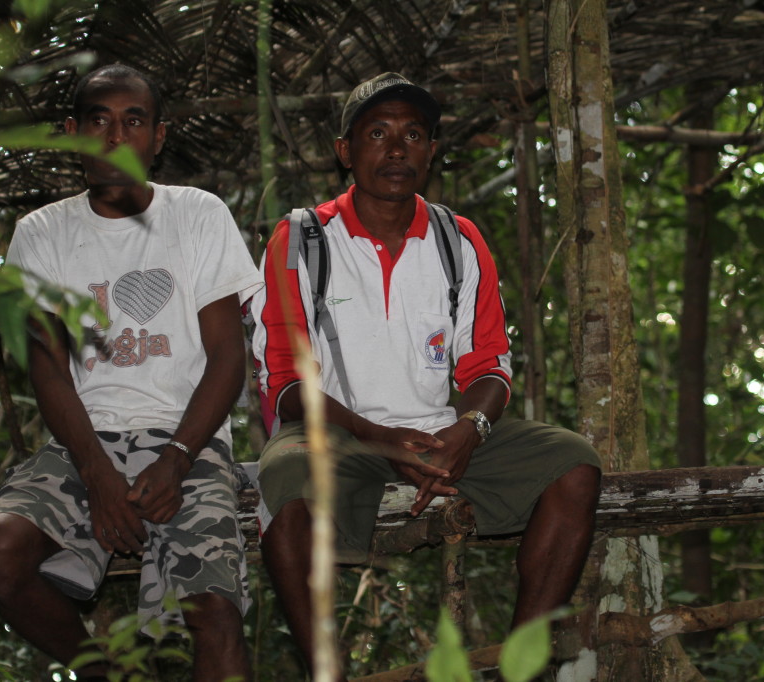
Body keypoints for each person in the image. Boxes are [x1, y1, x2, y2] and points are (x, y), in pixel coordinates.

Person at [249, 72, 602, 678]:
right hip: (334, 434)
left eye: (413, 135)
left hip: (437, 433)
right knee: (282, 478)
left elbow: (489, 363)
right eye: (377, 133)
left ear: (431, 151)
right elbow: (284, 382)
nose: (395, 149)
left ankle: (524, 665)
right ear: (345, 151)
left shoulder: (456, 239)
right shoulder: (302, 238)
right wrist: (380, 439)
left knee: (573, 462)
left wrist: (471, 429)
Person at [0, 64, 261, 682]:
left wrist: (178, 459)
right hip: (85, 442)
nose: (115, 137)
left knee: (214, 610)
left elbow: (227, 357)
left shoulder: (198, 215)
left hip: (190, 441)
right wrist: (97, 473)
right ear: (73, 132)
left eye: (133, 122)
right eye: (99, 121)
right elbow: (47, 369)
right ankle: (100, 672)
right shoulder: (42, 232)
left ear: (157, 137)